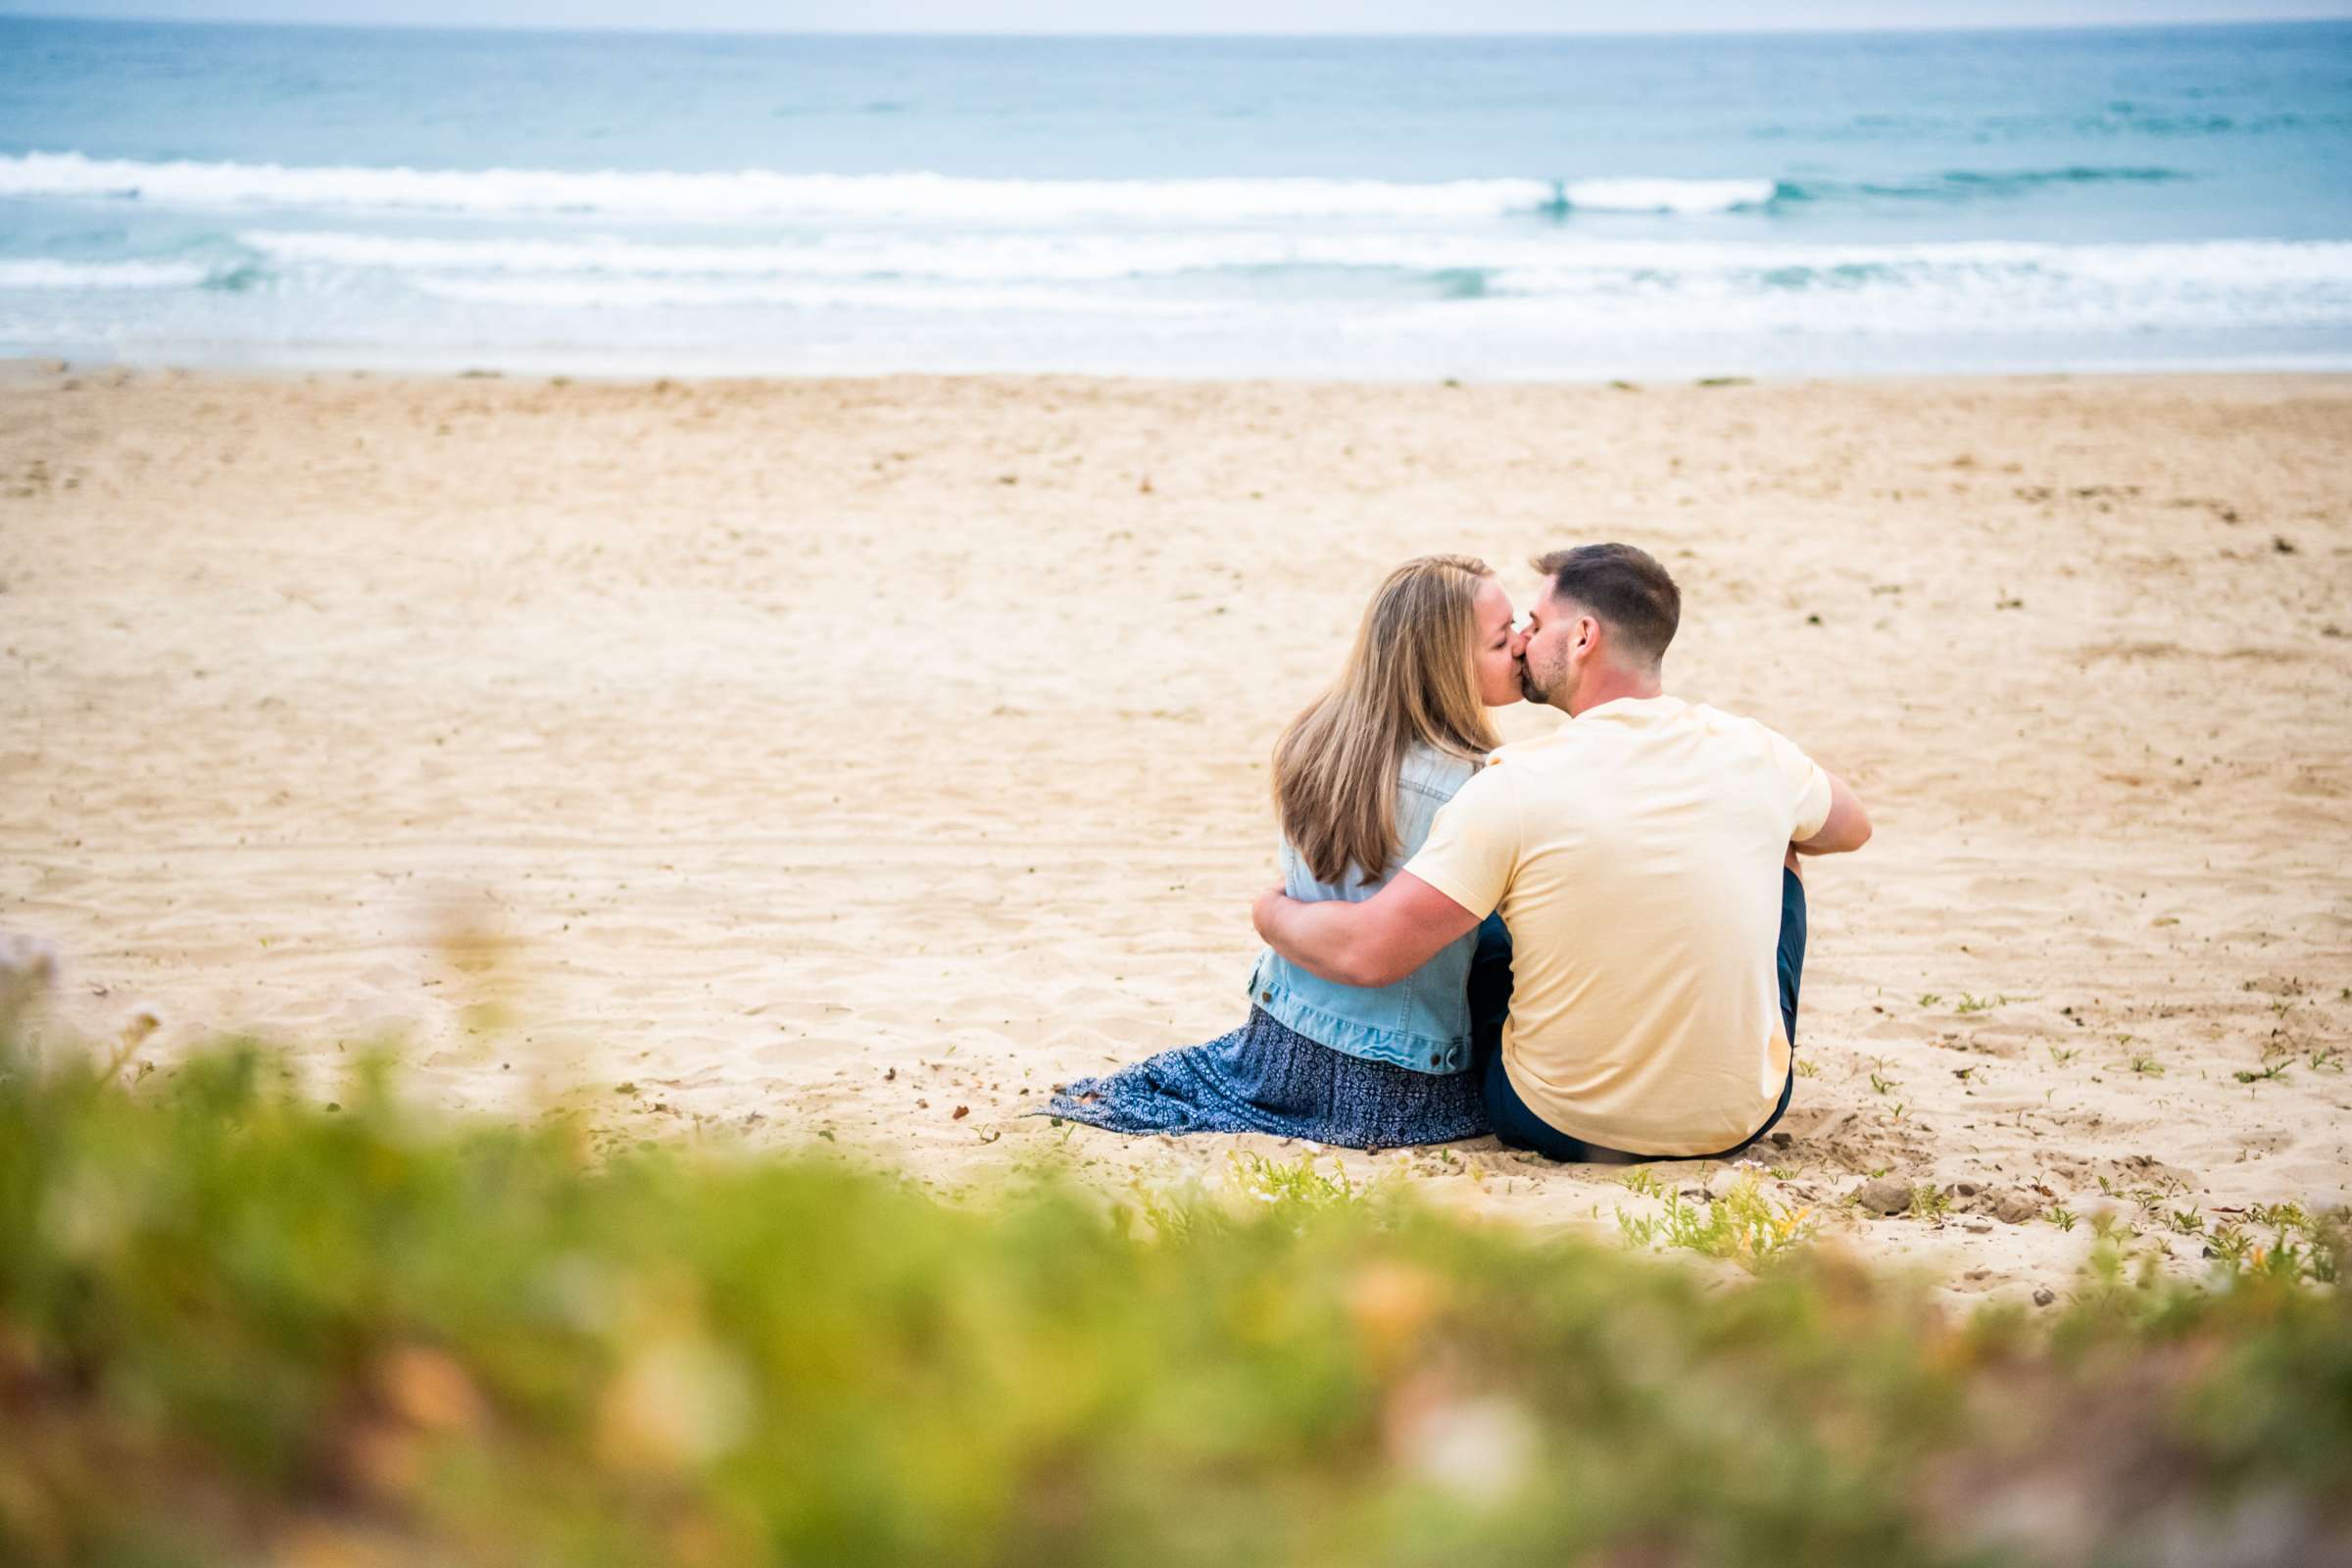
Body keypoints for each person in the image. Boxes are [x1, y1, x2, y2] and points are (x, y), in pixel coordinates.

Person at [1252, 543, 1871, 1162]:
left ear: (1581, 638)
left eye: (1535, 623)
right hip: (1739, 1117)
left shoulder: (1515, 783)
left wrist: (1270, 913)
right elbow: (1850, 828)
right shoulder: (1751, 750)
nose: (1523, 640)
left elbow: (1372, 951)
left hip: (1555, 1118)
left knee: (1507, 891)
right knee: (1781, 851)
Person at [1049, 554, 1527, 1150]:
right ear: (1447, 665)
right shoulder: (1471, 787)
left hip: (1278, 1044)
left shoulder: (1316, 739)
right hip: (1397, 1077)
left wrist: (1270, 913)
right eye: (1503, 638)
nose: (1523, 643)